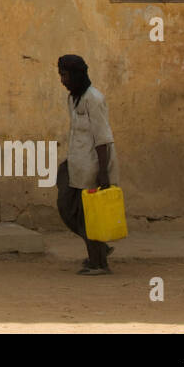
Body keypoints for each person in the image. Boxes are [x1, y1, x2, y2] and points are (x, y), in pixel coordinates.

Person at [55, 54, 119, 275]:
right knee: (66, 206)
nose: (62, 80)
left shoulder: (94, 99)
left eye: (65, 75)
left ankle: (98, 263)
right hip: (77, 164)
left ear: (76, 75)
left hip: (93, 166)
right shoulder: (73, 99)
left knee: (89, 216)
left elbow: (103, 138)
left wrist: (103, 172)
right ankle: (99, 249)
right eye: (60, 75)